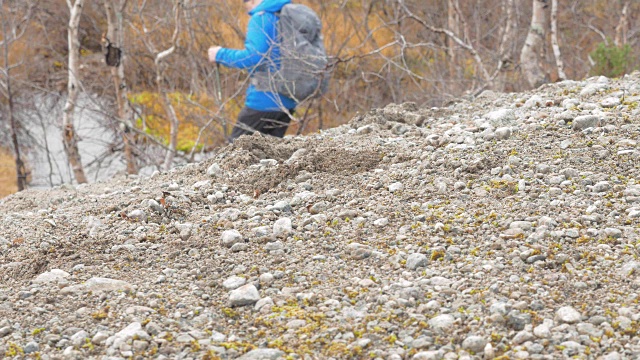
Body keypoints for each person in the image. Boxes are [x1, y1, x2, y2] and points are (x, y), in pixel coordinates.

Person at [208, 0, 297, 142]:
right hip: (289, 99)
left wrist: (220, 54)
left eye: (246, 4)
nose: (247, 9)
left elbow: (254, 57)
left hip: (264, 98)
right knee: (269, 154)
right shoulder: (289, 15)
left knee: (235, 152)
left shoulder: (261, 17)